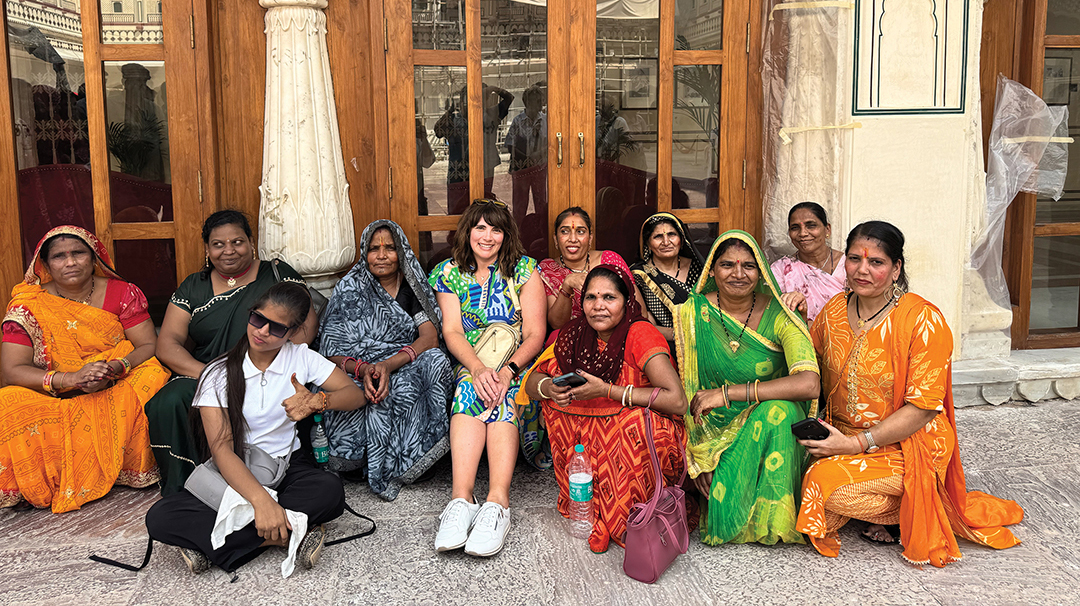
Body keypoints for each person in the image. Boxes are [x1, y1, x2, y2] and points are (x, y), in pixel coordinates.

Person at [795, 221, 1024, 567]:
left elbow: (922, 409)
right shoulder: (832, 313)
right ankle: (902, 504)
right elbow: (812, 371)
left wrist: (854, 445)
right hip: (842, 436)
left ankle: (909, 510)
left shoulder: (922, 320)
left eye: (876, 262)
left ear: (896, 268)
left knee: (819, 485)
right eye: (855, 259)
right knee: (784, 467)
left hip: (910, 444)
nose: (862, 270)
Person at [146, 282, 365, 574]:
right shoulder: (217, 372)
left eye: (275, 328)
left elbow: (355, 395)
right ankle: (288, 534)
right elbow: (221, 449)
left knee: (329, 491)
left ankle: (216, 544)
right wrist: (262, 503)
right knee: (160, 518)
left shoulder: (301, 357)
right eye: (258, 319)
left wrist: (316, 401)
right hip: (236, 470)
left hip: (286, 467)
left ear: (292, 332)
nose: (261, 332)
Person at [521, 265, 691, 553]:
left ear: (627, 302)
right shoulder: (575, 334)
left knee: (630, 424)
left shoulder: (640, 334)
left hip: (637, 435)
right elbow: (531, 383)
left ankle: (627, 510)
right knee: (554, 407)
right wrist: (549, 388)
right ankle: (589, 502)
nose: (598, 306)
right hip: (589, 444)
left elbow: (677, 401)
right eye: (590, 297)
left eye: (609, 298)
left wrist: (608, 392)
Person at [146, 210, 316, 497]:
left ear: (251, 242)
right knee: (170, 401)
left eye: (237, 242)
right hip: (205, 369)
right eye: (218, 244)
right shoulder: (193, 286)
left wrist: (264, 365)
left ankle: (257, 483)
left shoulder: (276, 273)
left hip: (266, 366)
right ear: (207, 249)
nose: (228, 251)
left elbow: (306, 327)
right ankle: (188, 487)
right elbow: (168, 343)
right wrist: (212, 375)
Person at [0, 226, 170, 512]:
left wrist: (115, 368)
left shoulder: (122, 293)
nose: (70, 262)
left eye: (78, 253)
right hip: (55, 392)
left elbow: (148, 345)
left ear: (94, 258)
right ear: (45, 264)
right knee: (8, 401)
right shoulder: (27, 305)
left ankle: (124, 467)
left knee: (153, 375)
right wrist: (71, 379)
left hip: (114, 380)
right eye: (59, 256)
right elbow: (12, 370)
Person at [673, 229, 820, 545]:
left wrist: (728, 393)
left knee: (777, 411)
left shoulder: (781, 314)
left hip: (771, 423)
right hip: (714, 430)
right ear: (712, 270)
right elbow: (689, 392)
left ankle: (774, 516)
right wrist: (699, 455)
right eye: (727, 265)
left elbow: (809, 384)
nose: (738, 274)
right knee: (719, 495)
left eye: (748, 266)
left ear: (761, 271)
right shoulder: (692, 313)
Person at [428, 198, 548, 557]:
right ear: (468, 231)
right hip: (471, 361)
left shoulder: (525, 270)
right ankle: (461, 500)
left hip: (516, 364)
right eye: (480, 227)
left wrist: (507, 372)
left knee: (503, 395)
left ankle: (497, 503)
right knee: (469, 388)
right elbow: (452, 332)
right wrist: (478, 369)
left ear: (505, 234)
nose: (488, 235)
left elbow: (534, 334)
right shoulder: (449, 273)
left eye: (496, 228)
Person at [318, 220, 453, 501]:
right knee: (345, 383)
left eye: (390, 248)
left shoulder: (411, 286)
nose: (381, 255)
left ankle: (411, 459)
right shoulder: (349, 288)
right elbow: (330, 348)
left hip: (401, 363)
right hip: (357, 367)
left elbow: (428, 338)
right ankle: (360, 460)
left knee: (436, 362)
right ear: (364, 252)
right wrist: (366, 368)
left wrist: (387, 366)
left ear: (401, 252)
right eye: (374, 248)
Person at [537, 207, 639, 331]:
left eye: (580, 232)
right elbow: (557, 325)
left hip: (617, 334)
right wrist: (567, 286)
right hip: (573, 340)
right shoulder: (548, 269)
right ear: (555, 239)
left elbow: (639, 309)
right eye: (564, 231)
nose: (573, 239)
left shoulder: (610, 260)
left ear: (590, 238)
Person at [631, 212, 705, 343]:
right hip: (663, 343)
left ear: (681, 240)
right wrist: (683, 336)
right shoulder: (640, 275)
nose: (666, 242)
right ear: (648, 244)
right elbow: (646, 324)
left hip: (704, 339)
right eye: (658, 236)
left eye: (672, 235)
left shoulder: (698, 269)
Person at [771, 202, 845, 322]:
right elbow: (774, 316)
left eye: (811, 226)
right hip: (798, 338)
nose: (803, 233)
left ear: (827, 229)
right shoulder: (780, 270)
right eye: (795, 228)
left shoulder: (849, 265)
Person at [505, 84, 548, 225]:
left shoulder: (546, 120)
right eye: (537, 101)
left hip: (539, 168)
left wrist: (539, 153)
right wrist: (526, 156)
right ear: (528, 102)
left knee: (541, 202)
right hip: (521, 169)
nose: (541, 104)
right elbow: (510, 144)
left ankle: (540, 233)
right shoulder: (518, 121)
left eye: (541, 100)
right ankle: (518, 235)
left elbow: (551, 143)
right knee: (519, 204)